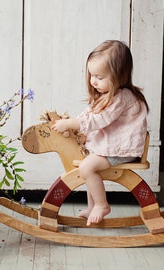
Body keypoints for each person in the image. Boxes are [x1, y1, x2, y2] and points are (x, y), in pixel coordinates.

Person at [52, 40, 149, 226]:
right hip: (111, 148)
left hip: (122, 151)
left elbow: (99, 120)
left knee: (87, 167)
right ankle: (92, 206)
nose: (93, 81)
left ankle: (102, 205)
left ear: (119, 75)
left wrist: (73, 123)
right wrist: (71, 122)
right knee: (89, 167)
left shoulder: (122, 98)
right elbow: (90, 114)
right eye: (91, 75)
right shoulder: (109, 96)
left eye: (100, 77)